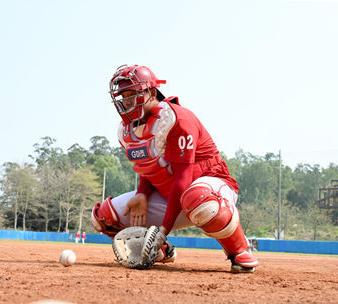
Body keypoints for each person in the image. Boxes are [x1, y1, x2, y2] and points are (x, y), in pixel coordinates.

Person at [90, 64, 258, 273]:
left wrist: (163, 230)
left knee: (198, 198)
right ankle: (160, 250)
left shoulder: (177, 119)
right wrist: (142, 194)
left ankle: (239, 251)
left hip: (210, 189)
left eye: (132, 94)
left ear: (151, 92)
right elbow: (150, 167)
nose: (127, 102)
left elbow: (182, 180)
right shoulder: (127, 131)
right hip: (171, 196)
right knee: (104, 217)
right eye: (123, 96)